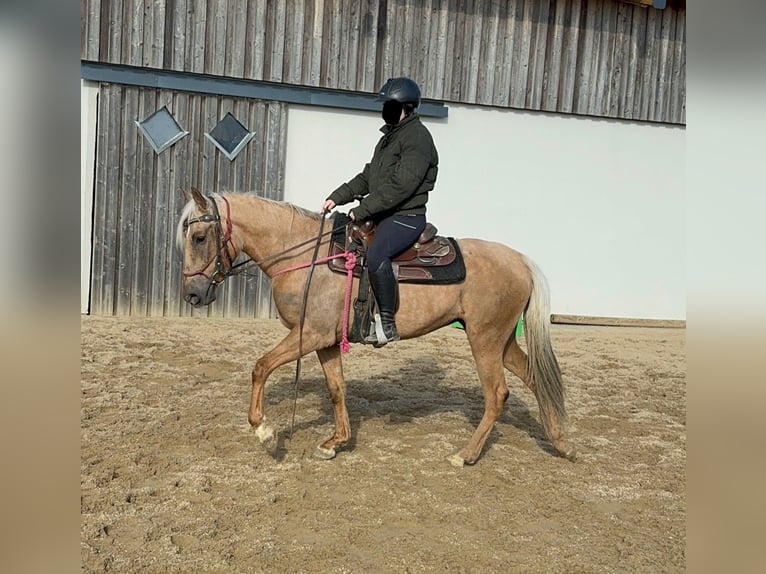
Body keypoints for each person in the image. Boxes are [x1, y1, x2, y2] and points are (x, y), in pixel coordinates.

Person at [321, 77, 439, 346]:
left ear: (406, 108)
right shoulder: (389, 138)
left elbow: (401, 186)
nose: (384, 109)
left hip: (406, 216)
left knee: (375, 256)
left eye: (389, 104)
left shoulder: (418, 138)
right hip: (386, 213)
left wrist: (362, 210)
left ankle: (387, 323)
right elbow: (369, 176)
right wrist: (337, 197)